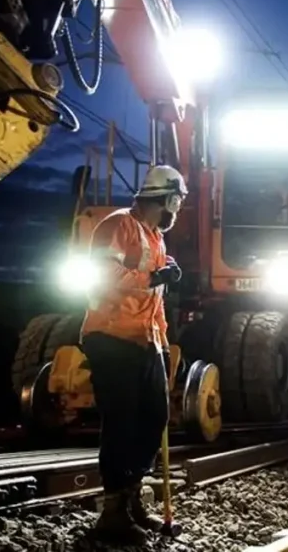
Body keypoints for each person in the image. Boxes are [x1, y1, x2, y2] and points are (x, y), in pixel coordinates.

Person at [80, 165, 187, 543]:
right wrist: (153, 277)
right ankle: (112, 513)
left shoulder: (156, 238)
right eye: (178, 202)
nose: (178, 210)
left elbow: (154, 299)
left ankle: (131, 497)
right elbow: (103, 273)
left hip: (146, 339)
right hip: (110, 336)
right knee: (122, 421)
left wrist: (163, 339)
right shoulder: (118, 225)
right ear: (169, 199)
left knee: (155, 415)